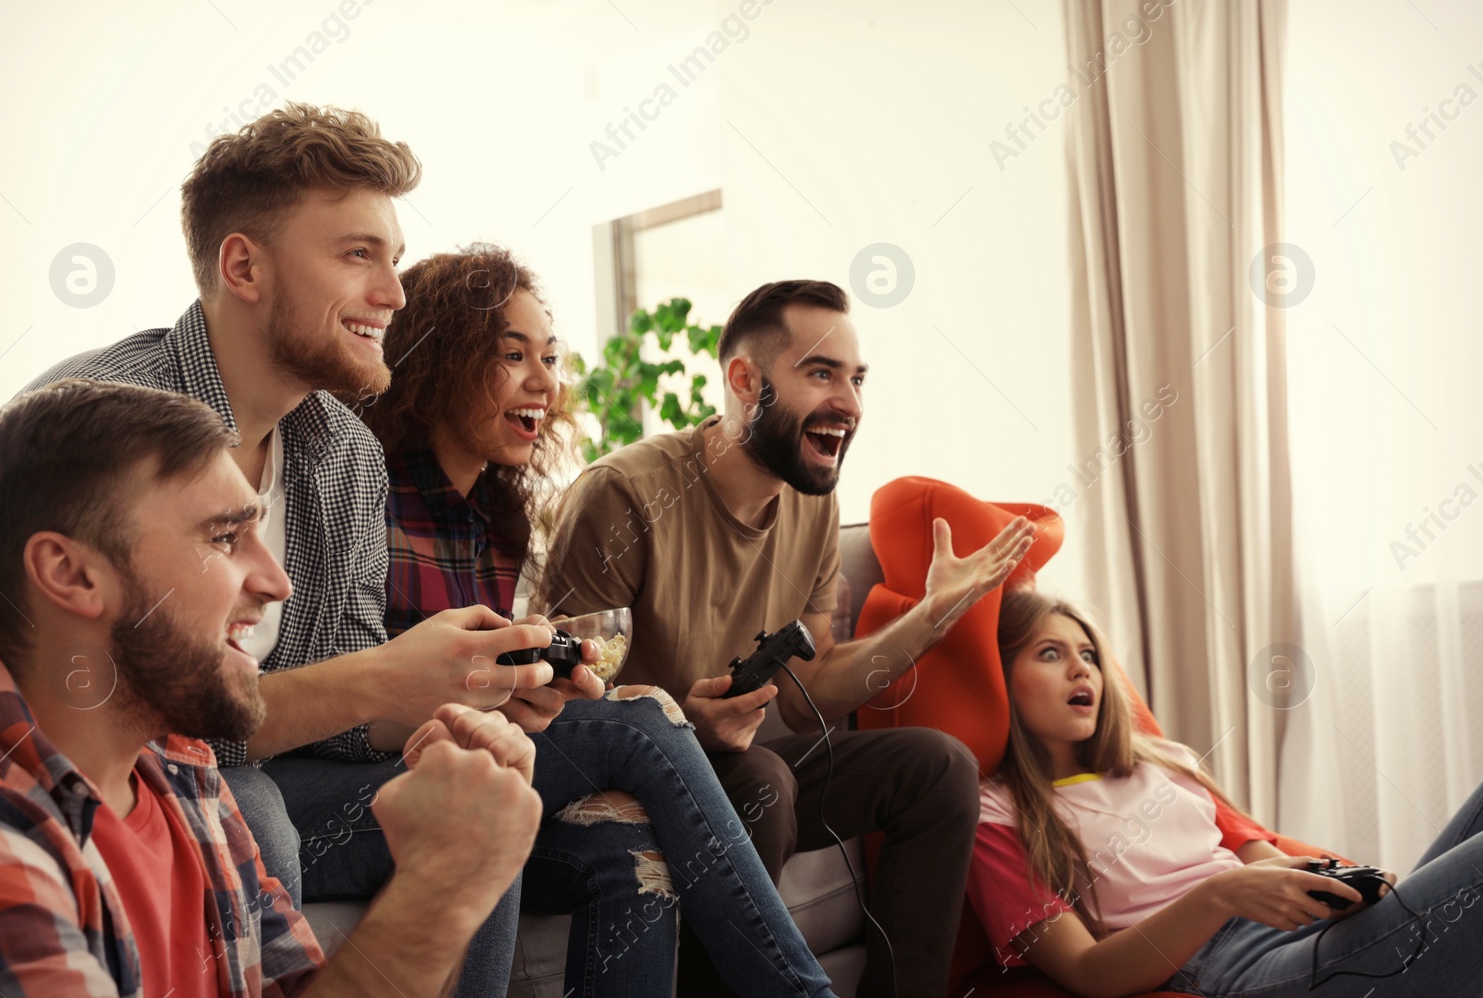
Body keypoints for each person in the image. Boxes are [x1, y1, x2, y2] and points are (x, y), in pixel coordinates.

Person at [0, 102, 556, 991]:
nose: (395, 294)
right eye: (359, 255)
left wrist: (461, 688)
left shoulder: (347, 452)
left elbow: (329, 708)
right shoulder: (98, 425)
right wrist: (381, 680)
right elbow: (17, 696)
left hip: (199, 761)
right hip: (96, 766)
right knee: (261, 817)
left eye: (392, 259)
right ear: (243, 264)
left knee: (478, 799)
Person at [0, 379, 541, 996]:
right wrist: (436, 891)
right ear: (71, 575)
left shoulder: (180, 772)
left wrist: (456, 866)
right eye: (225, 537)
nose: (276, 583)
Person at [351, 244, 837, 997]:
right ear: (441, 358)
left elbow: (485, 679)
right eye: (513, 355)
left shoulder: (496, 513)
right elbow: (362, 685)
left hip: (481, 754)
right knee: (639, 718)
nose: (545, 382)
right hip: (384, 776)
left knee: (626, 845)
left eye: (549, 357)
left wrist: (535, 686)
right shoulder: (365, 492)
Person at [535, 279, 1037, 997]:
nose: (851, 404)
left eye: (857, 379)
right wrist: (683, 721)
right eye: (821, 373)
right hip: (634, 782)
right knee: (763, 780)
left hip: (738, 767)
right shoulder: (624, 493)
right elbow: (565, 701)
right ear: (746, 381)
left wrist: (930, 616)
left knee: (937, 766)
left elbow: (811, 697)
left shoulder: (812, 504)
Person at [969, 586, 1483, 997]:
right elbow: (1087, 972)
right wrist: (1220, 895)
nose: (1083, 668)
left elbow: (1260, 854)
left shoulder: (1167, 760)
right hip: (1233, 967)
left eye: (1088, 654)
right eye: (1050, 653)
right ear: (1000, 680)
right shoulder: (997, 815)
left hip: (1300, 929)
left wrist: (1340, 888)